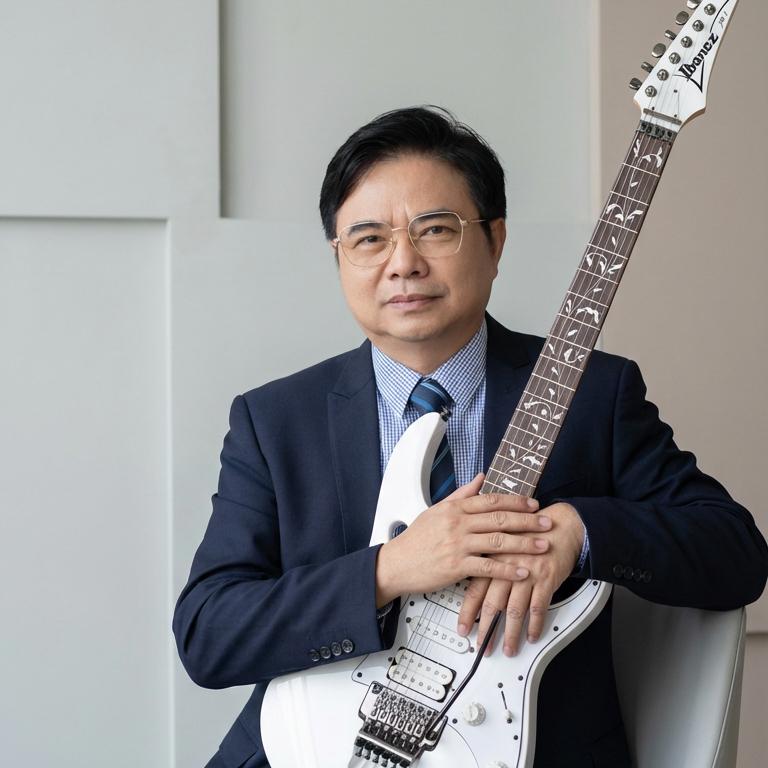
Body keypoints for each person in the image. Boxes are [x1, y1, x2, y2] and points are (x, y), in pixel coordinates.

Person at [173, 106, 768, 768]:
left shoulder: (593, 393)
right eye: (368, 239)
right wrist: (391, 568)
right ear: (339, 258)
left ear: (495, 241)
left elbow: (736, 554)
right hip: (318, 750)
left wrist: (578, 532)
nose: (403, 263)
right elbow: (208, 633)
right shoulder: (276, 421)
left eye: (435, 229)